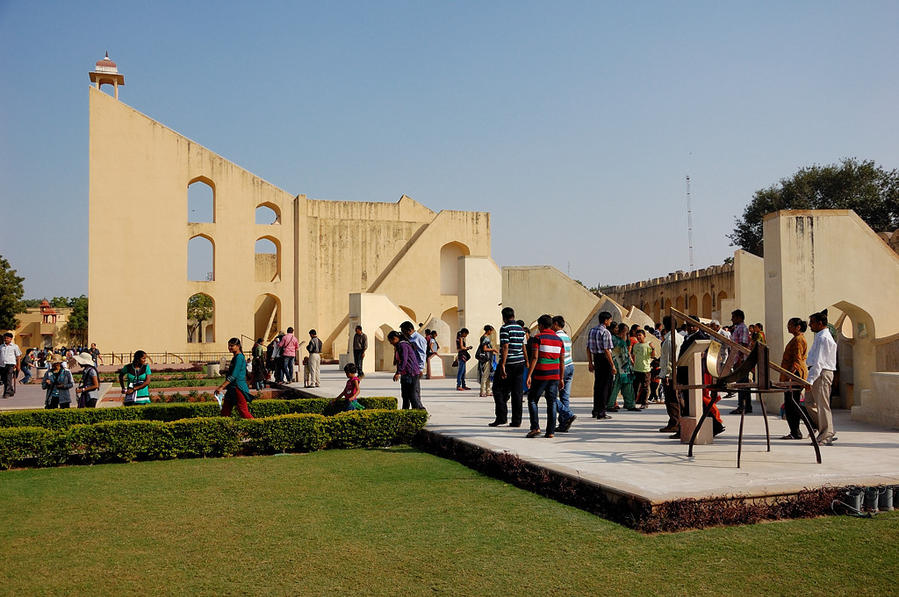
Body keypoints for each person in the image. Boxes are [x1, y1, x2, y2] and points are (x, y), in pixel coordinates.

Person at [525, 314, 565, 438]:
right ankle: (550, 431)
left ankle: (535, 427)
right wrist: (561, 378)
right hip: (555, 374)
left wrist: (529, 375)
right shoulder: (559, 340)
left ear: (541, 325)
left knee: (532, 399)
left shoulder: (538, 337)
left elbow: (535, 357)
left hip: (541, 373)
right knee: (552, 402)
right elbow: (562, 360)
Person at [489, 307, 528, 427]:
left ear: (504, 317)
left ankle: (501, 417)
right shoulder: (521, 329)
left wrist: (503, 365)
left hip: (509, 363)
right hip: (520, 363)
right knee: (517, 393)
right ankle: (516, 420)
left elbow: (505, 347)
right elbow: (523, 346)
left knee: (497, 389)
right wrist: (527, 361)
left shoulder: (505, 328)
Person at [806, 310, 837, 445]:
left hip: (822, 373)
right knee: (809, 403)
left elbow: (819, 361)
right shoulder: (819, 336)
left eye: (811, 322)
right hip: (816, 372)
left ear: (820, 323)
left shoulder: (823, 338)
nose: (809, 325)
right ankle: (826, 428)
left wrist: (810, 380)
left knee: (823, 405)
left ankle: (826, 435)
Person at [780, 317, 810, 440]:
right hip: (792, 374)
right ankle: (795, 431)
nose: (788, 327)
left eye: (790, 325)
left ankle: (798, 430)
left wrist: (791, 377)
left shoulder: (798, 340)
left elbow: (797, 360)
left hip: (794, 374)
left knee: (792, 404)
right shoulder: (796, 339)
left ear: (798, 327)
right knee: (792, 403)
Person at [215, 338, 255, 419]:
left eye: (231, 346)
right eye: (229, 346)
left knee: (243, 411)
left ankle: (257, 426)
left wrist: (221, 387)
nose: (229, 347)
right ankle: (224, 428)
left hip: (238, 387)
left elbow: (234, 375)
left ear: (238, 346)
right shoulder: (236, 357)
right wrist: (225, 371)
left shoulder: (239, 357)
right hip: (232, 388)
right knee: (225, 411)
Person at [586, 311, 615, 420]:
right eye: (610, 320)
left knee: (598, 385)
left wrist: (590, 362)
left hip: (596, 359)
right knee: (606, 386)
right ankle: (602, 412)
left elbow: (588, 348)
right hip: (605, 359)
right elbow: (607, 350)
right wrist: (612, 365)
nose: (611, 322)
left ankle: (596, 410)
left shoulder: (592, 331)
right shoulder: (606, 332)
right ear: (606, 320)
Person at [550, 315, 577, 431]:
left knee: (551, 396)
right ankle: (564, 423)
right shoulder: (567, 337)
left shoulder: (555, 337)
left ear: (556, 324)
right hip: (570, 365)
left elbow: (556, 356)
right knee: (565, 396)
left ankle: (568, 414)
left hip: (561, 368)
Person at [658, 315, 684, 433]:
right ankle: (679, 421)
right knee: (677, 398)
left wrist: (667, 375)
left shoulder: (669, 340)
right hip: (678, 372)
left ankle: (675, 423)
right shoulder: (680, 337)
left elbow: (669, 359)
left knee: (671, 399)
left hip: (671, 373)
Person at [389, 330, 424, 410]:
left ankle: (419, 413)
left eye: (391, 340)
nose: (391, 342)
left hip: (411, 373)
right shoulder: (399, 346)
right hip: (406, 373)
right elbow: (399, 361)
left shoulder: (403, 345)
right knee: (405, 396)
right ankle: (405, 413)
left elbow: (404, 360)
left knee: (413, 396)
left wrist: (398, 373)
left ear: (395, 338)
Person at [610, 323, 638, 412]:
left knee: (628, 386)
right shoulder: (615, 339)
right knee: (616, 386)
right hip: (619, 365)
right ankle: (610, 404)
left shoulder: (623, 340)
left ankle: (630, 404)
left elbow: (627, 349)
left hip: (625, 366)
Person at [729, 310, 752, 414]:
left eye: (733, 317)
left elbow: (743, 345)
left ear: (739, 317)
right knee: (744, 384)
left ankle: (742, 406)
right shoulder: (737, 328)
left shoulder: (742, 328)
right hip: (738, 359)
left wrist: (739, 360)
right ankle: (747, 406)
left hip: (741, 361)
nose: (732, 319)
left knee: (741, 384)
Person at [631, 329, 655, 408]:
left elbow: (653, 355)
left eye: (640, 335)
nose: (638, 337)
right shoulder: (636, 345)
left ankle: (644, 403)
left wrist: (653, 348)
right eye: (637, 335)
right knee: (635, 387)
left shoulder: (648, 345)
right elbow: (633, 355)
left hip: (645, 369)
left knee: (645, 387)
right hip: (636, 369)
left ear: (644, 336)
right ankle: (632, 402)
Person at [475, 325, 497, 397]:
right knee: (485, 376)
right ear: (488, 331)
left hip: (486, 359)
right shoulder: (485, 338)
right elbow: (484, 349)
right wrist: (493, 349)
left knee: (487, 376)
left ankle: (488, 390)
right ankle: (482, 391)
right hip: (486, 359)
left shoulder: (483, 337)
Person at [0, 332, 22, 398]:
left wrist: (18, 365)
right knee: (4, 379)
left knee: (8, 378)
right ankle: (11, 391)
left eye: (7, 338)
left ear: (11, 339)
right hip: (2, 365)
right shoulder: (1, 346)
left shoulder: (15, 346)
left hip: (11, 364)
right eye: (5, 338)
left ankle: (6, 393)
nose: (6, 339)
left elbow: (18, 357)